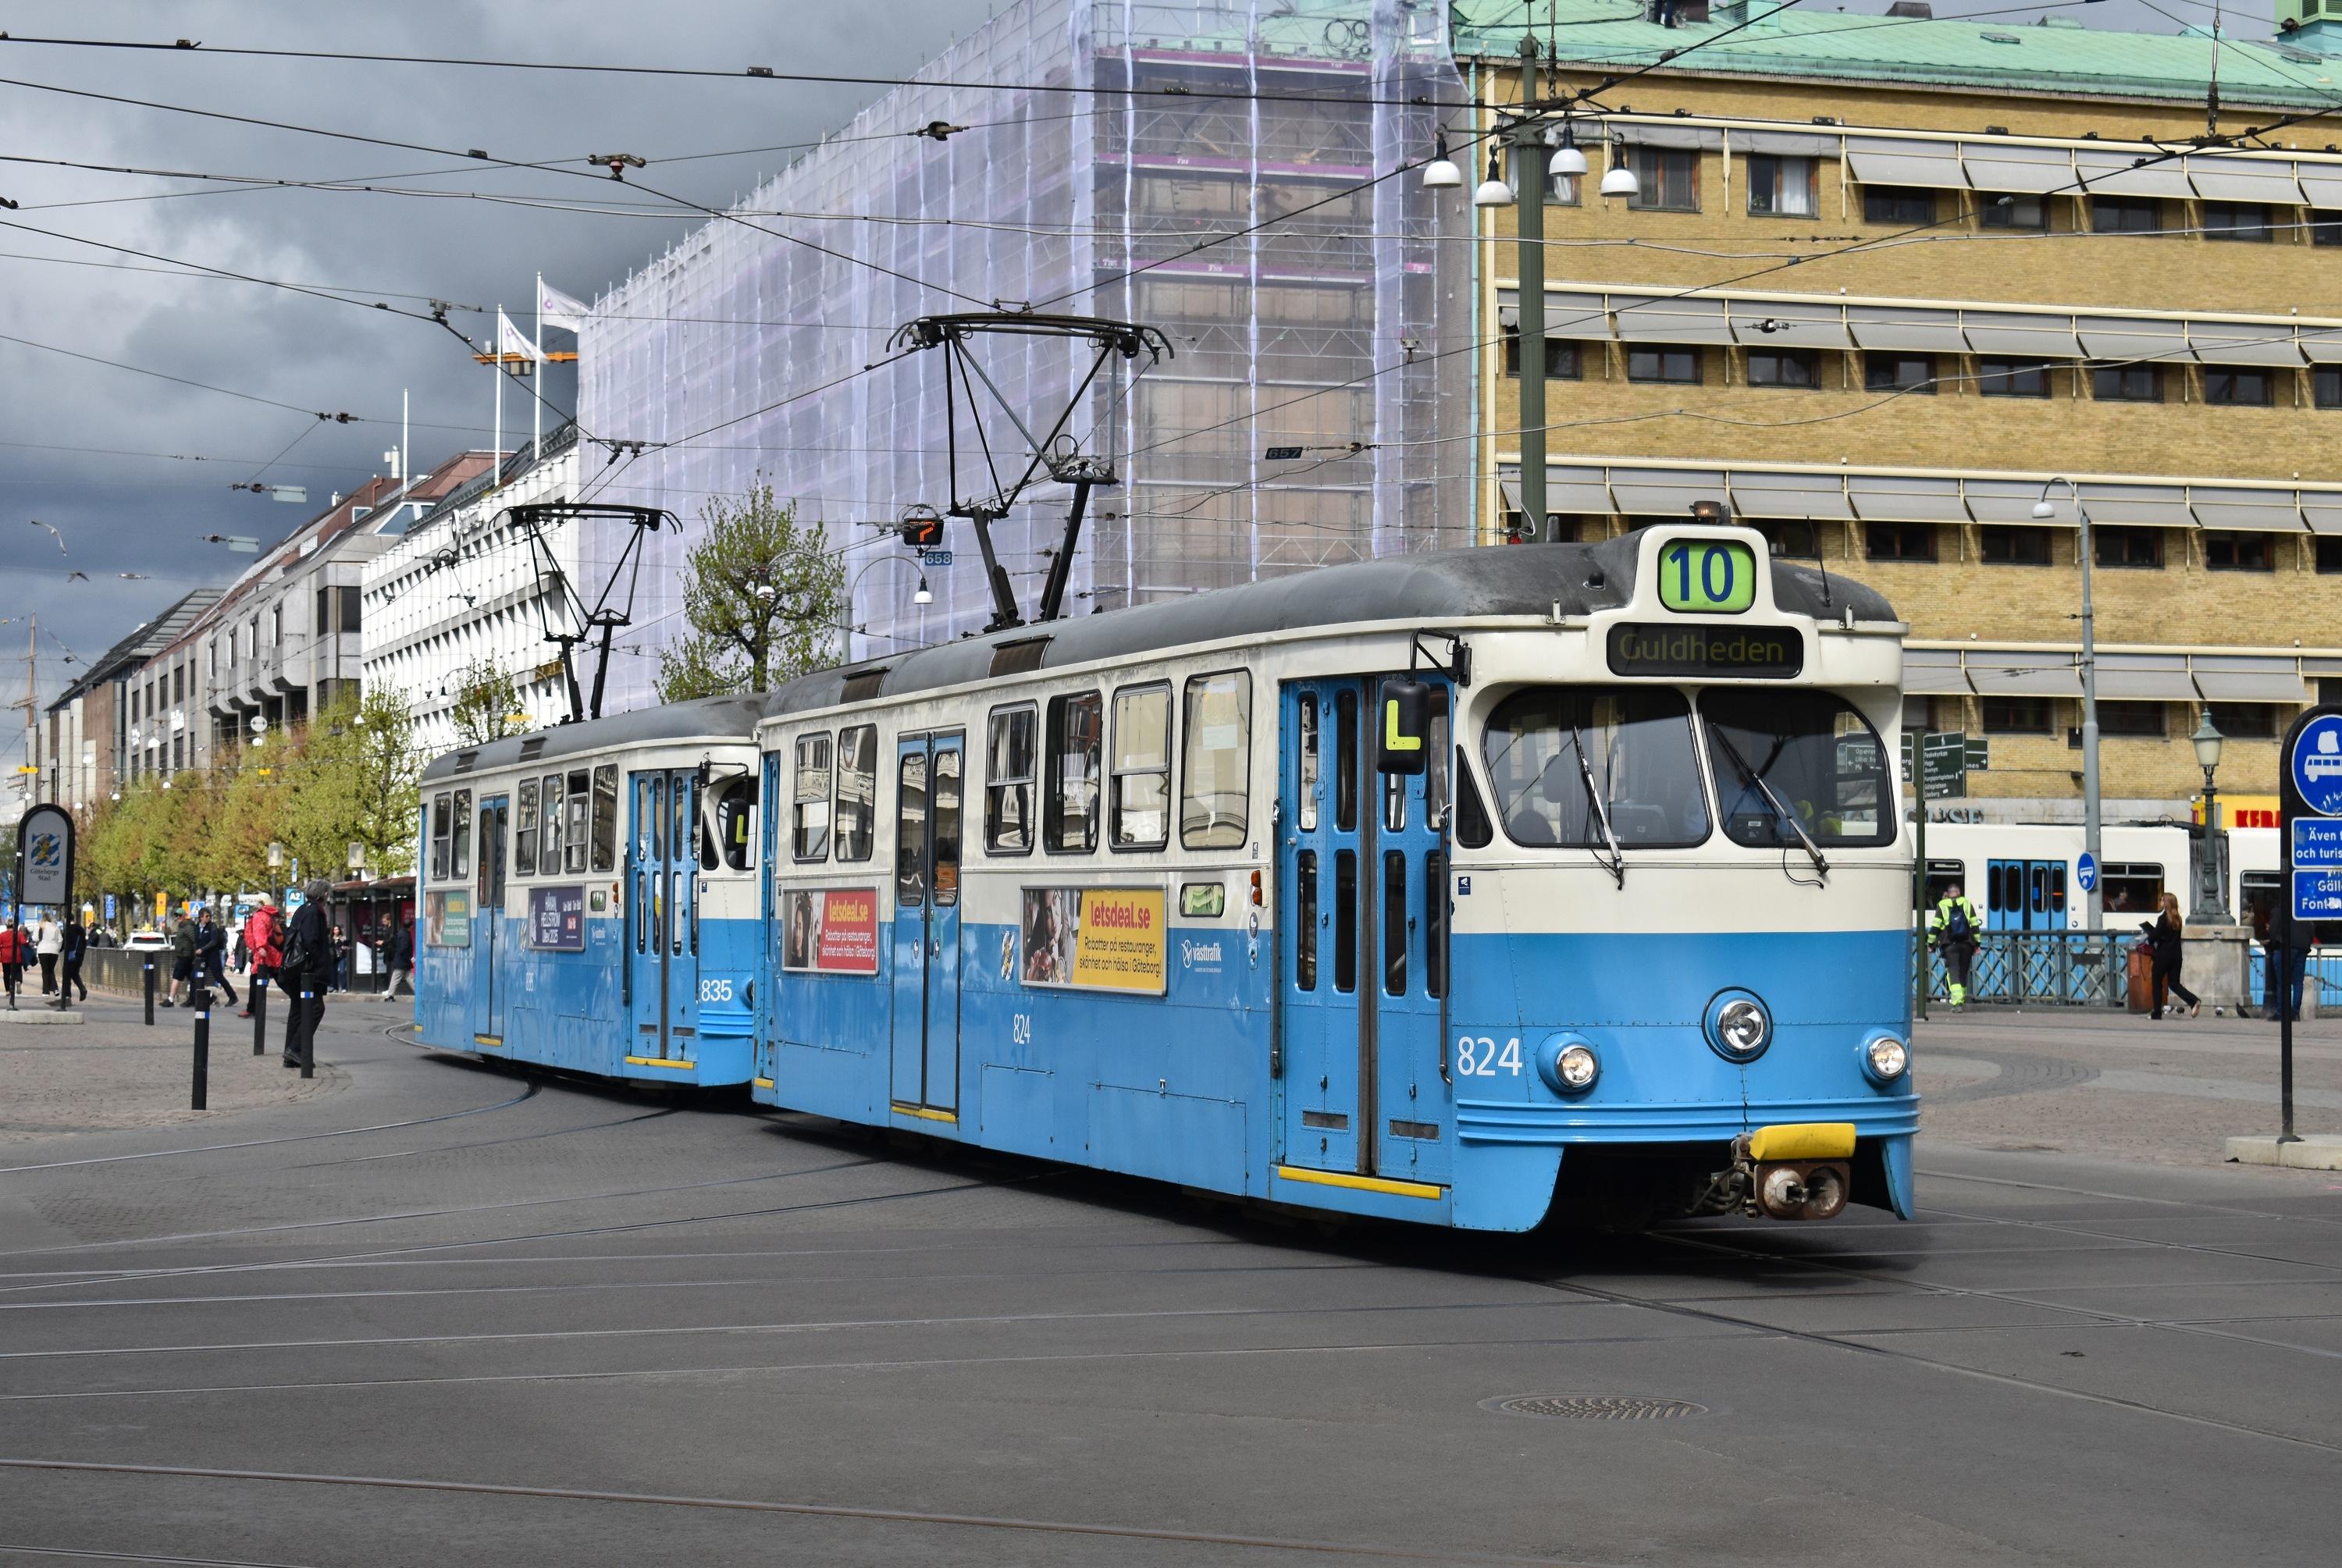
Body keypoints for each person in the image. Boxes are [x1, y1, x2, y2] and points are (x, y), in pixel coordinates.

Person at [279, 881, 332, 1069]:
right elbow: (310, 941)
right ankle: (295, 1048)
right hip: (307, 970)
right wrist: (320, 961)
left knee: (297, 1010)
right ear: (323, 894)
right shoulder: (314, 911)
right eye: (328, 893)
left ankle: (290, 1054)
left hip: (294, 970)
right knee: (316, 1008)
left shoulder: (302, 909)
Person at [2141, 891, 2199, 1020]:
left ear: (2166, 903)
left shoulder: (2163, 919)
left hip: (2163, 955)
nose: (2161, 902)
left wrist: (2149, 935)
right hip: (2176, 956)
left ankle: (2157, 1013)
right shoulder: (2178, 919)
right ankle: (2193, 1001)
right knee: (2174, 984)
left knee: (2157, 982)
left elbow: (2155, 936)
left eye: (2162, 900)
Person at [1928, 881, 1984, 1008]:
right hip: (1967, 944)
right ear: (1959, 893)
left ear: (1948, 894)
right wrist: (1977, 944)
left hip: (1949, 944)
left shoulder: (1942, 905)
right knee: (1963, 971)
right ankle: (1961, 999)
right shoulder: (1967, 903)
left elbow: (1935, 927)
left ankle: (1957, 1001)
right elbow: (1975, 925)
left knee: (1953, 971)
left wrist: (1931, 944)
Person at [239, 898, 280, 1020]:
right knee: (280, 979)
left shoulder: (260, 915)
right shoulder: (273, 914)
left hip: (262, 954)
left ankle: (253, 1009)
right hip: (275, 954)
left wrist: (261, 947)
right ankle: (301, 1002)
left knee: (256, 982)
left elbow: (259, 931)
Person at [195, 907, 237, 1007]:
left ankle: (233, 997)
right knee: (197, 976)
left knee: (219, 977)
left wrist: (202, 949)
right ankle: (205, 997)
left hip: (213, 956)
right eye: (206, 916)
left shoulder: (212, 927)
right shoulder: (197, 927)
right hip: (202, 957)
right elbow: (197, 940)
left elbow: (214, 941)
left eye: (209, 916)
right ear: (201, 917)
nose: (208, 918)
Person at [52, 915, 87, 1008]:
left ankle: (67, 996)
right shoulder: (81, 930)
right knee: (75, 973)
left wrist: (58, 949)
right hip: (80, 955)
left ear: (66, 920)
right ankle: (82, 989)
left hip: (71, 955)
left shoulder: (68, 930)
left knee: (66, 974)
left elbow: (65, 943)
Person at [165, 912, 197, 1008]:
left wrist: (196, 955)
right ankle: (207, 996)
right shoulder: (182, 927)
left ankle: (171, 999)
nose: (178, 917)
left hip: (185, 956)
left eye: (180, 915)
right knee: (193, 979)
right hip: (184, 955)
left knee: (177, 977)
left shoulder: (188, 927)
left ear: (185, 916)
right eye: (177, 915)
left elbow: (195, 941)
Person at [386, 911, 415, 999]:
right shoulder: (405, 935)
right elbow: (404, 949)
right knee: (399, 978)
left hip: (401, 961)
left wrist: (383, 943)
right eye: (412, 926)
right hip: (402, 962)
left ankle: (390, 995)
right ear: (410, 926)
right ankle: (390, 996)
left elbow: (393, 941)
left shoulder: (401, 933)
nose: (413, 927)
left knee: (409, 978)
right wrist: (409, 958)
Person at [34, 912, 60, 994]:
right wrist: (58, 948)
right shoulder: (55, 926)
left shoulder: (39, 926)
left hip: (43, 950)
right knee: (51, 970)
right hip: (54, 950)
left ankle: (46, 991)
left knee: (45, 971)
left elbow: (35, 938)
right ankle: (55, 989)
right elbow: (60, 939)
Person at [0, 921, 22, 1011]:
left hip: (5, 955)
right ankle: (18, 981)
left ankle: (8, 990)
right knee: (17, 970)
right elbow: (24, 942)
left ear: (6, 926)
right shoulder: (18, 934)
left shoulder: (2, 934)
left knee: (6, 973)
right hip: (16, 955)